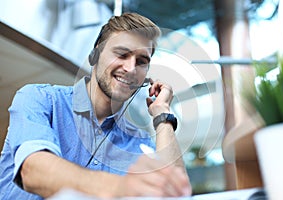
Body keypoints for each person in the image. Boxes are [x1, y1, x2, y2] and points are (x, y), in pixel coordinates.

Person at [0, 12, 192, 199]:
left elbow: (175, 194)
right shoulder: (39, 99)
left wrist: (163, 116)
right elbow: (33, 171)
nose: (131, 69)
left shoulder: (138, 142)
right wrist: (122, 187)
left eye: (141, 62)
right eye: (122, 54)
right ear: (94, 56)